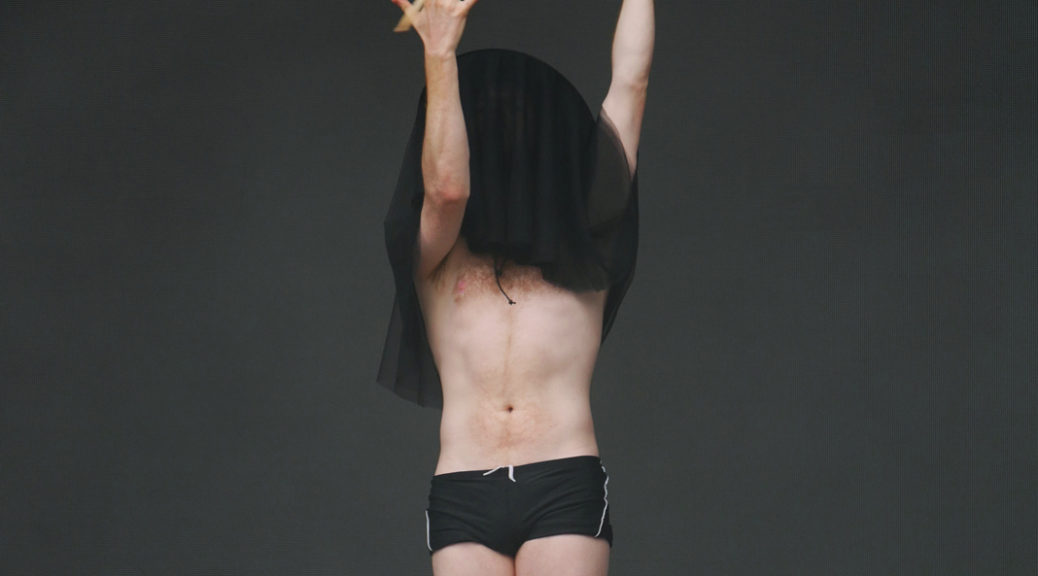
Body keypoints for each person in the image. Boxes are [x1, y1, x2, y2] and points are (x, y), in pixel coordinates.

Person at [380, 1, 653, 574]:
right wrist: (439, 53)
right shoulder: (437, 254)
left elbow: (631, 84)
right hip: (464, 490)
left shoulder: (590, 234)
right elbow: (447, 190)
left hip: (563, 481)